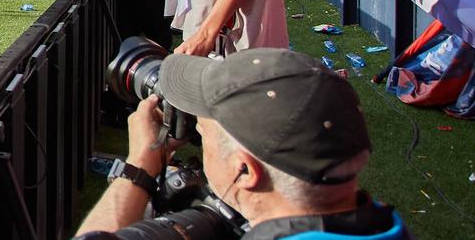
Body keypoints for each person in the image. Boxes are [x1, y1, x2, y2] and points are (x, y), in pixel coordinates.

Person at [74, 49, 409, 239]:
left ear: (245, 170)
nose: (196, 135)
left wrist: (141, 165)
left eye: (202, 131)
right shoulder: (385, 225)